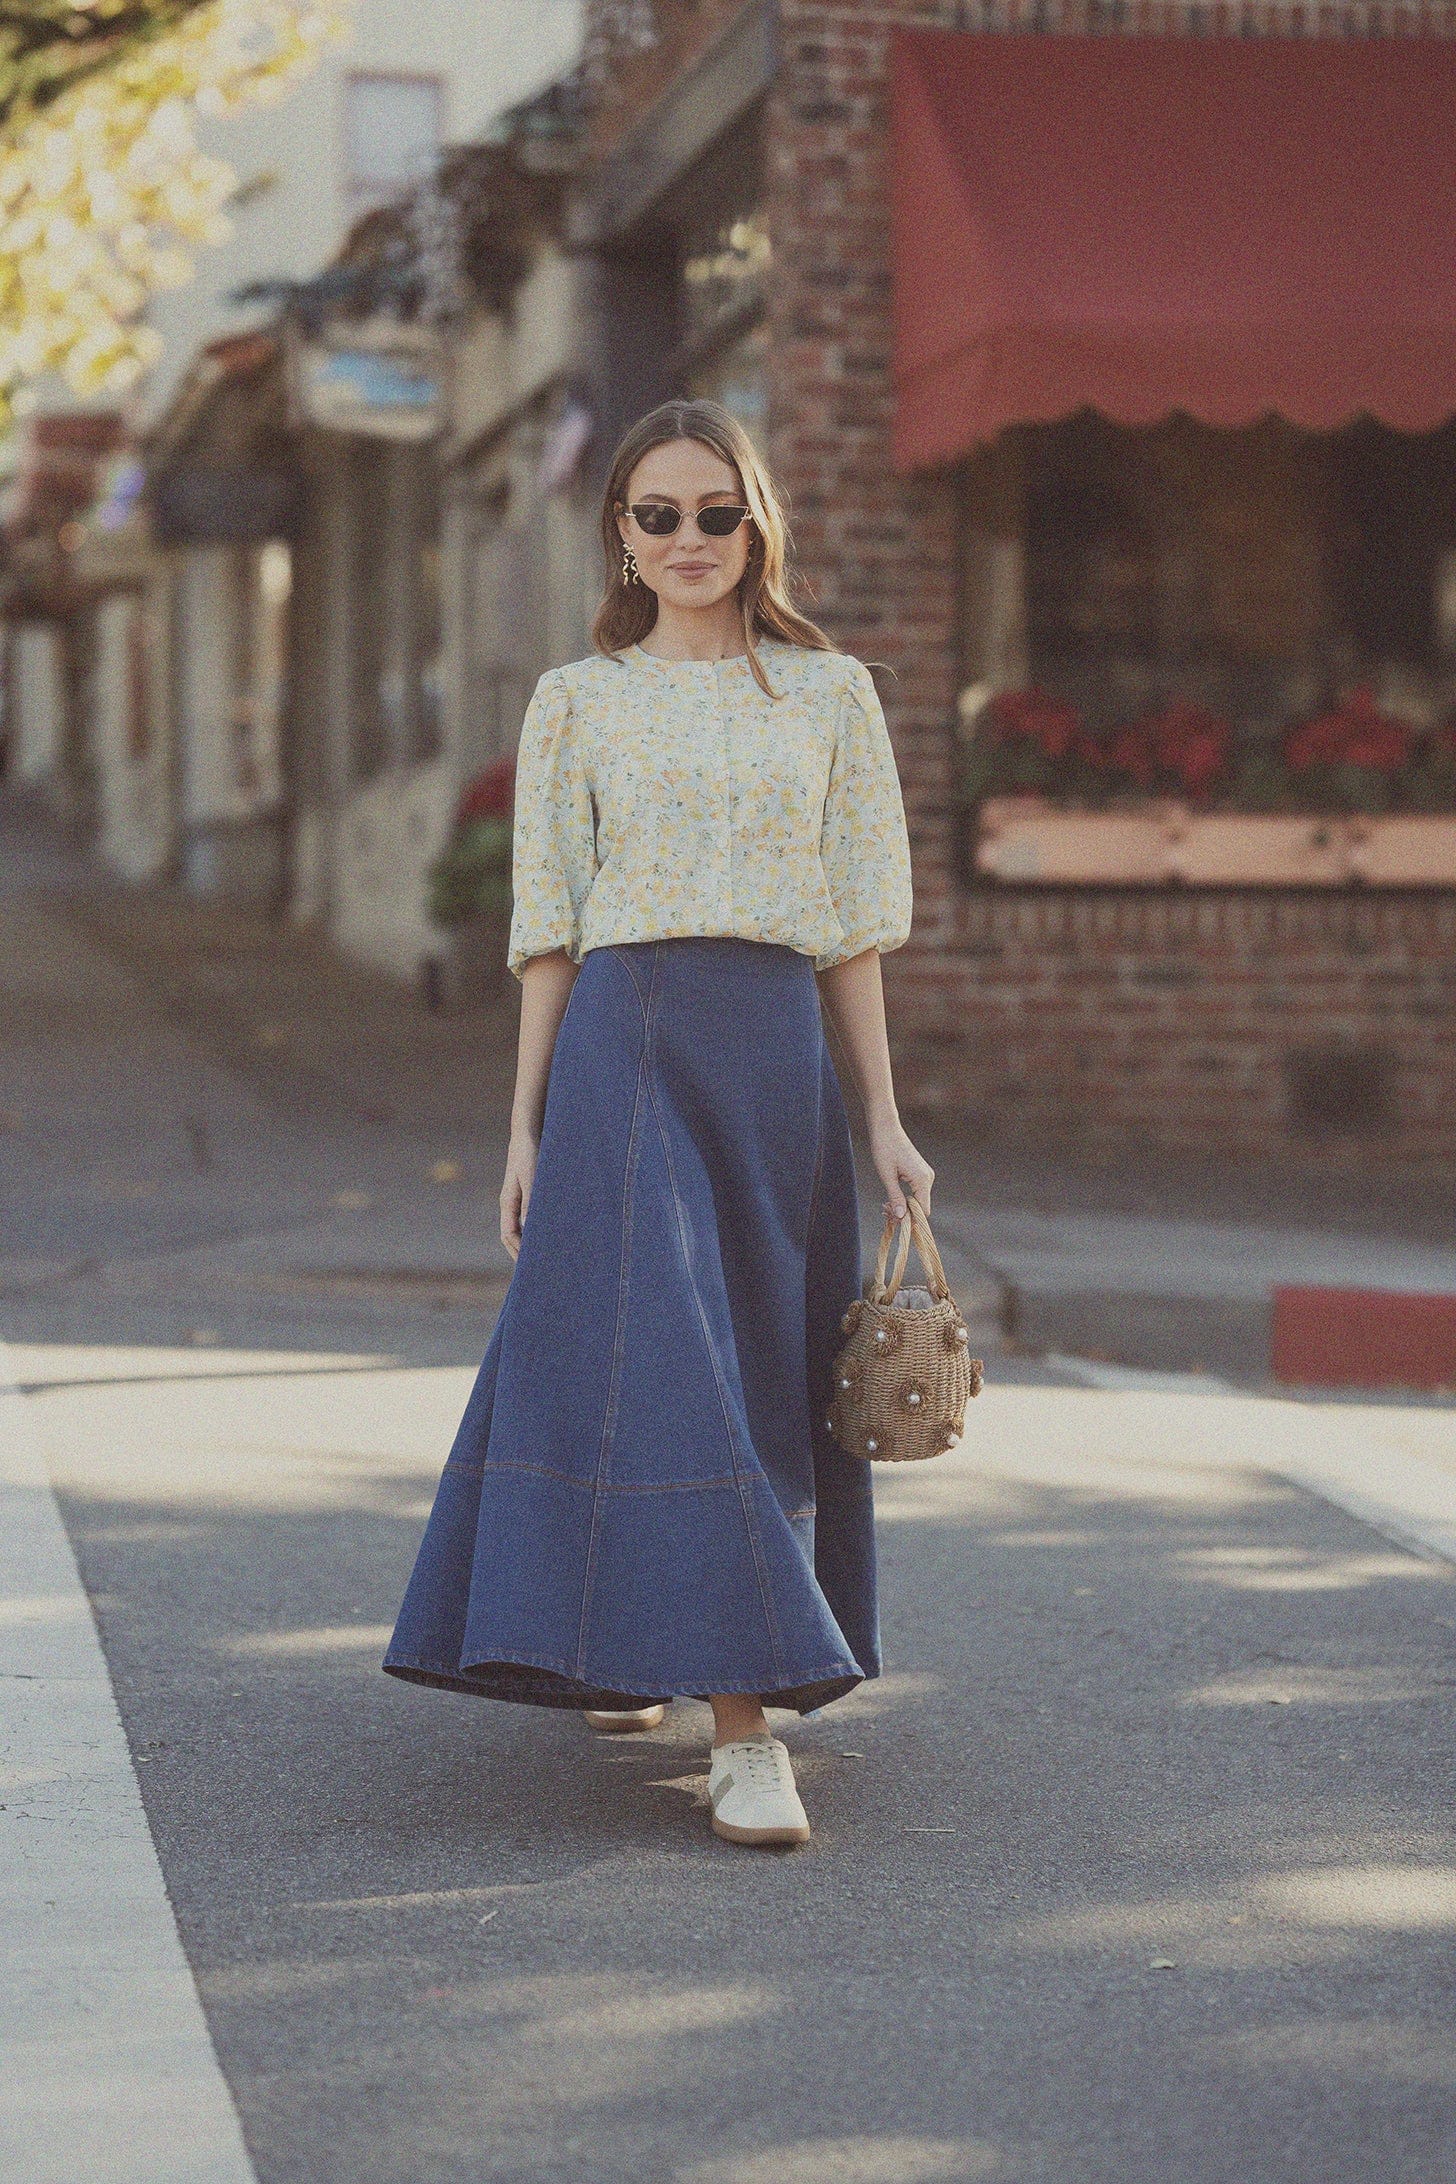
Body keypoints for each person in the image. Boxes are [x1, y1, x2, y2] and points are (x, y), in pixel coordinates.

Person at [383, 398, 931, 1848]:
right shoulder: (579, 698)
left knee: (751, 1358)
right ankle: (744, 1727)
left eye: (715, 513)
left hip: (772, 1056)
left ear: (760, 523)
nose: (688, 541)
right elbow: (549, 926)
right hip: (623, 1044)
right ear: (620, 534)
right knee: (660, 1353)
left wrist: (883, 1116)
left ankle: (651, 1639)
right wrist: (520, 1125)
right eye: (657, 516)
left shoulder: (831, 695)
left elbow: (858, 929)